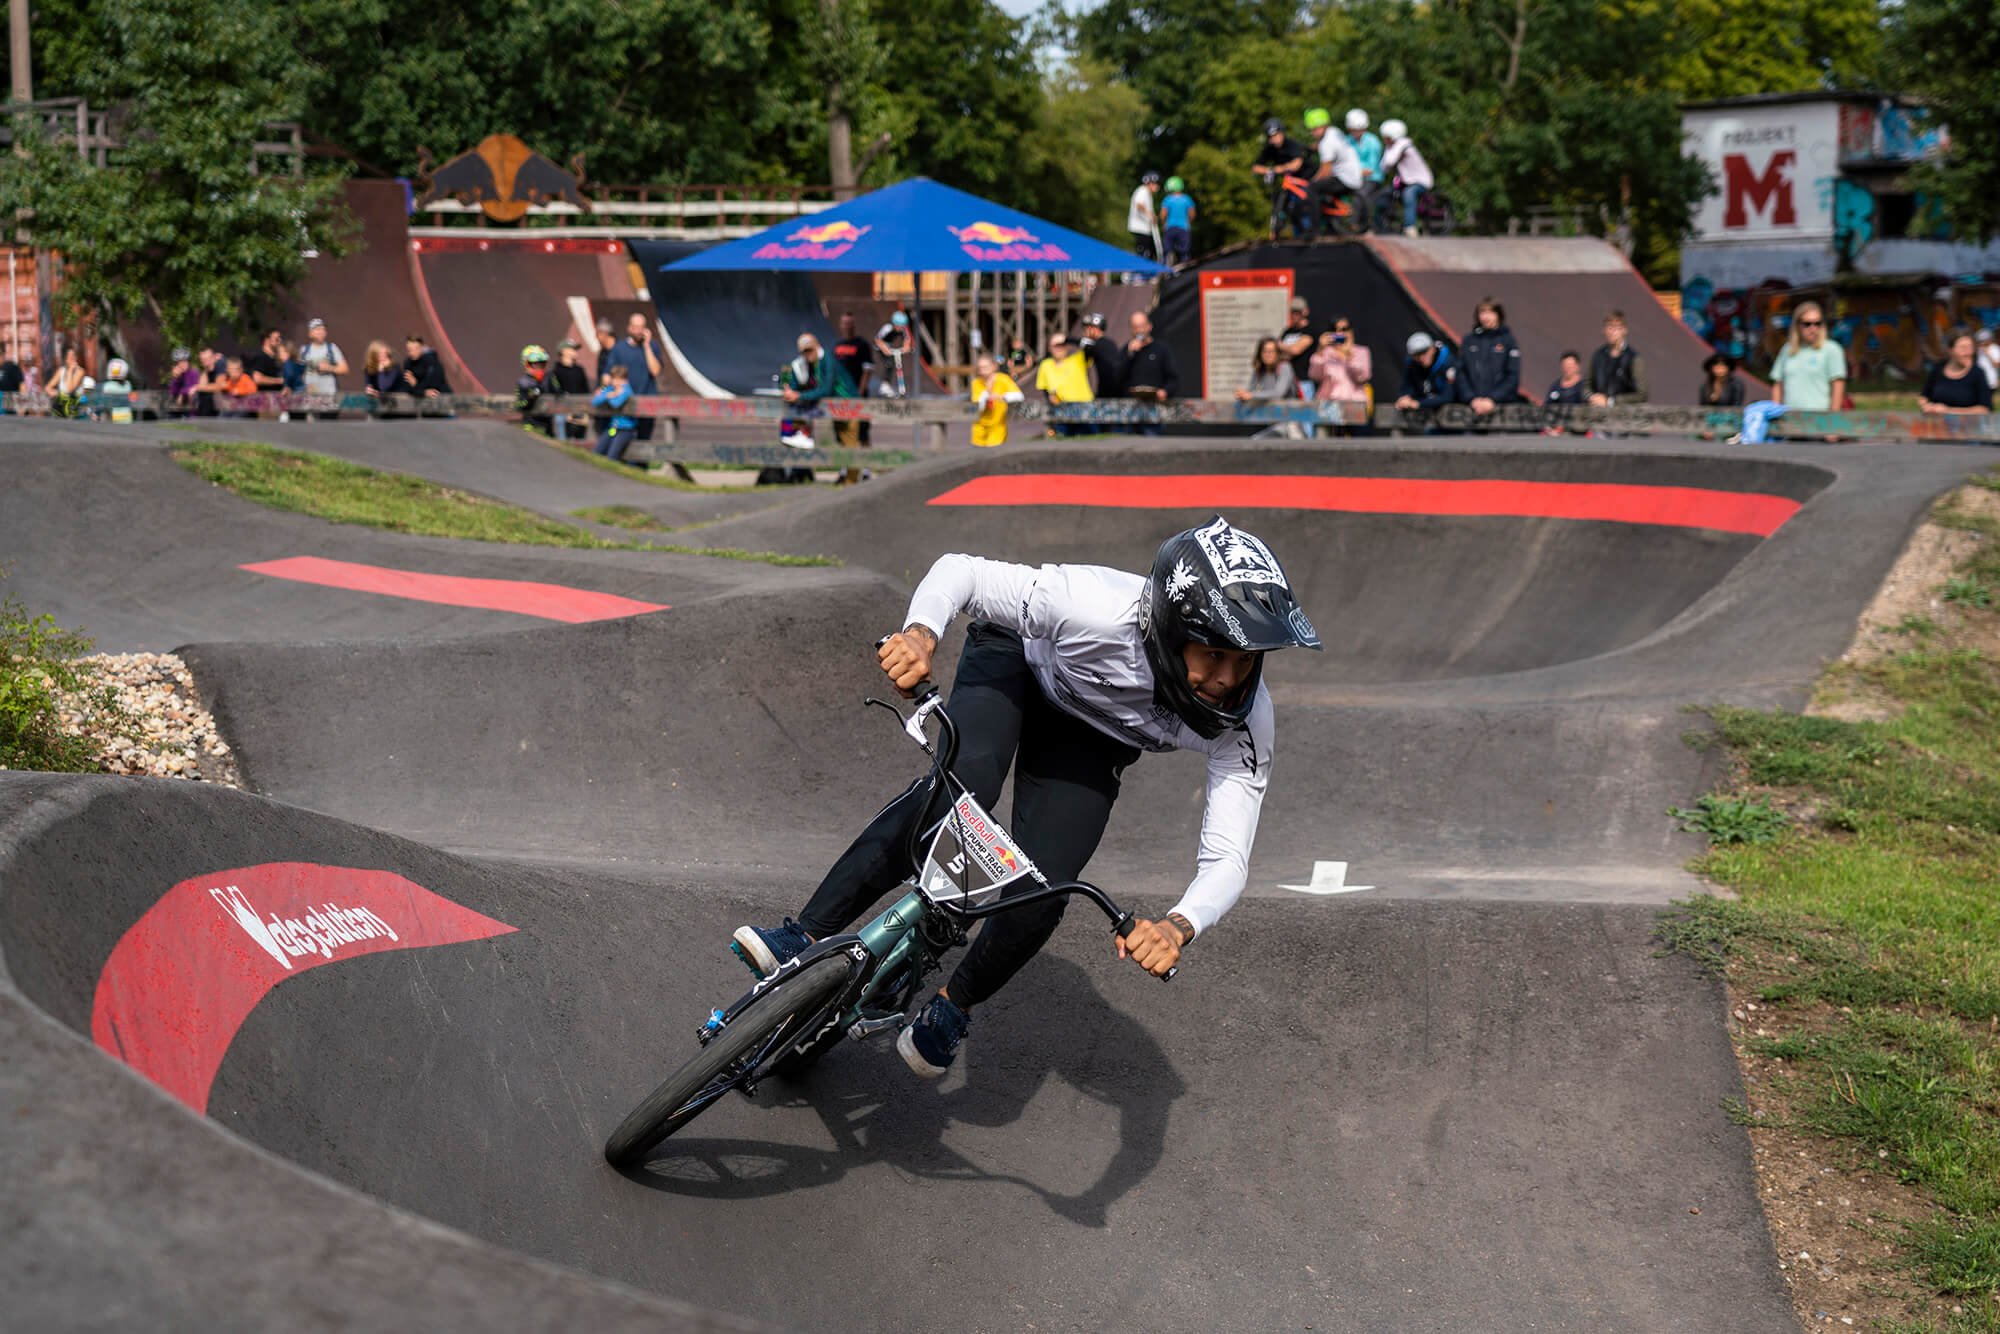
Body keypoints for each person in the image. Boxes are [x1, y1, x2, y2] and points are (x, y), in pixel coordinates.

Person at [727, 516, 1323, 1079]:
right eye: (1213, 653)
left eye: (1244, 660)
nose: (1226, 679)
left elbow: (1227, 861)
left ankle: (951, 1007)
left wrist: (1177, 925)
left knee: (1044, 887)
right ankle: (802, 935)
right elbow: (961, 571)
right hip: (1017, 662)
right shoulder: (1091, 605)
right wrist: (919, 634)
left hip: (1090, 740)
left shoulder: (1244, 722)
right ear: (1169, 629)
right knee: (959, 793)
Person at [778, 332, 858, 453]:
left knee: (850, 447)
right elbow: (795, 383)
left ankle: (858, 470)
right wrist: (789, 391)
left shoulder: (828, 360)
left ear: (817, 346)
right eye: (804, 351)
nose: (808, 354)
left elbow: (826, 390)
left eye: (810, 350)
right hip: (834, 407)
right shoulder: (803, 364)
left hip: (849, 405)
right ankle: (801, 434)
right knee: (841, 444)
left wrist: (799, 396)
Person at [1769, 301, 1845, 412]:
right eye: (1807, 324)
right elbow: (1778, 384)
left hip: (1820, 419)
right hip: (1789, 419)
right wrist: (1774, 413)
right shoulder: (1787, 350)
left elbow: (1838, 385)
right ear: (1797, 325)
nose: (1813, 328)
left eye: (1817, 323)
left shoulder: (1831, 349)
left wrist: (1833, 418)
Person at [1455, 297, 1521, 420]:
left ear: (1498, 315)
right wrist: (1471, 398)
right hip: (1471, 409)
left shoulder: (1508, 341)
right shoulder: (1469, 341)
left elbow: (1512, 376)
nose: (1486, 317)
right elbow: (1460, 373)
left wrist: (1492, 399)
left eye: (1490, 312)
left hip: (1500, 409)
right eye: (1482, 312)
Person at [1302, 107, 1364, 232]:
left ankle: (1314, 230)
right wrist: (1309, 148)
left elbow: (1325, 171)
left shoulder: (1327, 144)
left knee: (1312, 188)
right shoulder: (1334, 131)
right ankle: (1332, 226)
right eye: (1311, 130)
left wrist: (1310, 182)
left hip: (1346, 179)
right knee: (1324, 189)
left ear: (1323, 126)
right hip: (1354, 175)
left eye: (1314, 129)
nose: (1312, 133)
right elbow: (1319, 145)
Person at [1252, 120, 1312, 240]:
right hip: (1289, 184)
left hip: (1305, 179)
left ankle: (1309, 234)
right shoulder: (1269, 149)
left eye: (1277, 134)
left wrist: (1278, 169)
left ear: (1282, 133)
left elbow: (1297, 164)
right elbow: (1255, 168)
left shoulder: (1291, 144)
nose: (1275, 139)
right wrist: (1270, 170)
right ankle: (1289, 236)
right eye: (1272, 136)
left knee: (1303, 207)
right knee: (1283, 209)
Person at [1378, 119, 1435, 238]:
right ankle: (1378, 226)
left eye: (1386, 137)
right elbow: (1384, 168)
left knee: (1408, 194)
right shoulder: (1391, 147)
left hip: (1420, 180)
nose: (1384, 140)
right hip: (1405, 181)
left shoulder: (1404, 144)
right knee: (1384, 193)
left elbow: (1389, 161)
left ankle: (1410, 227)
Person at [1126, 311, 1179, 437]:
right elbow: (1117, 377)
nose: (1139, 330)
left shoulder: (1161, 350)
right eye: (1135, 327)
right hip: (1128, 411)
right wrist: (1128, 355)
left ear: (1149, 326)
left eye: (1141, 326)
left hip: (1153, 411)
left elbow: (1173, 378)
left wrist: (1165, 391)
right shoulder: (1127, 351)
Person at [1919, 329, 1993, 415]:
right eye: (1963, 348)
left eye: (1971, 347)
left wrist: (1948, 411)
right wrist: (1926, 406)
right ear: (1950, 350)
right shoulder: (1938, 369)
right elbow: (1924, 396)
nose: (1969, 352)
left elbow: (1985, 409)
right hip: (1937, 426)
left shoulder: (1977, 373)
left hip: (1969, 427)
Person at [1034, 332, 1094, 437]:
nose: (1059, 348)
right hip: (1060, 411)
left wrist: (1070, 340)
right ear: (1049, 348)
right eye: (1055, 345)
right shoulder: (1045, 365)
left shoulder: (1078, 359)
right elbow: (1044, 389)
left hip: (1084, 409)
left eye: (1062, 345)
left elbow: (1091, 347)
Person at [1308, 317, 1372, 412]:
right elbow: (1314, 376)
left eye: (1344, 329)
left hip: (1354, 408)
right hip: (1328, 407)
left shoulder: (1361, 352)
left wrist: (1349, 356)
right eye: (1334, 329)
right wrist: (1320, 350)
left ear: (1351, 332)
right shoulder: (1325, 352)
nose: (1339, 333)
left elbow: (1362, 377)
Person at [1587, 310, 1648, 406]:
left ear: (1624, 330)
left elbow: (1642, 394)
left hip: (1626, 416)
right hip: (1598, 414)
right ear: (1604, 330)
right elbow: (1586, 386)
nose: (1612, 332)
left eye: (1616, 328)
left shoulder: (1633, 358)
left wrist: (1610, 401)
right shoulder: (1597, 356)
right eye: (1609, 327)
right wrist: (1591, 397)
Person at [831, 313, 875, 446]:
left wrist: (859, 393)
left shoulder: (862, 345)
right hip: (841, 396)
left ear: (853, 325)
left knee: (862, 431)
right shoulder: (837, 345)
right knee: (842, 430)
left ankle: (866, 464)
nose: (847, 326)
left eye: (849, 323)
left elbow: (867, 370)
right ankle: (846, 463)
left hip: (857, 394)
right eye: (844, 323)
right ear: (840, 325)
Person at [969, 351, 1024, 447]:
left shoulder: (1003, 379)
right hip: (980, 429)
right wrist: (987, 393)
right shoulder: (976, 383)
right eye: (980, 368)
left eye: (986, 367)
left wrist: (1001, 397)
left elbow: (1019, 396)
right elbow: (979, 407)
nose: (983, 371)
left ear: (994, 366)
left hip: (998, 428)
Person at [1393, 331, 1456, 412]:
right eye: (1416, 354)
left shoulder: (1449, 362)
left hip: (1453, 415)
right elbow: (1406, 388)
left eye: (1424, 352)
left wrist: (1417, 403)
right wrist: (1405, 398)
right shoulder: (1411, 364)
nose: (1421, 357)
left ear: (1432, 349)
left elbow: (1448, 396)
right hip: (1424, 416)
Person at [299, 317, 348, 418]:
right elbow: (298, 372)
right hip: (310, 399)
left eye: (323, 329)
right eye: (317, 329)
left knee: (329, 430)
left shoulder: (332, 348)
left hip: (329, 398)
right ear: (310, 333)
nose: (321, 332)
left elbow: (345, 369)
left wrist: (329, 368)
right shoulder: (304, 350)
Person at [591, 363, 639, 464]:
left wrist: (610, 395)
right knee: (596, 451)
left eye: (619, 380)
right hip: (613, 428)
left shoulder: (626, 390)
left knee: (611, 456)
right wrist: (609, 394)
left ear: (625, 380)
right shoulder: (612, 389)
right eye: (614, 379)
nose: (616, 383)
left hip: (626, 429)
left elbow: (615, 404)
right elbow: (595, 402)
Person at [1078, 311, 1129, 406]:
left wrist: (1065, 340)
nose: (1085, 332)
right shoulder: (1098, 345)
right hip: (1107, 391)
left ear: (1094, 328)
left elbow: (1087, 343)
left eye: (1088, 328)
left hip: (1112, 393)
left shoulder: (1103, 343)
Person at [549, 338, 593, 441]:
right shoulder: (555, 371)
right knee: (562, 443)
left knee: (581, 446)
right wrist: (567, 411)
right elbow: (556, 392)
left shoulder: (579, 370)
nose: (575, 352)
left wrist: (585, 413)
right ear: (563, 351)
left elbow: (585, 391)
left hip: (579, 412)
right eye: (573, 349)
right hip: (563, 413)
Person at [1278, 298, 1317, 394]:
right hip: (1285, 380)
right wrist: (1288, 350)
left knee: (1304, 408)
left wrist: (1282, 346)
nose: (1294, 315)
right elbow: (1278, 353)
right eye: (1292, 312)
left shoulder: (1311, 330)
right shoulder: (1287, 331)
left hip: (1303, 381)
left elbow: (1296, 350)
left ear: (1305, 312)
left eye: (1297, 312)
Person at [397, 334, 452, 398]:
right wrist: (422, 391)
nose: (412, 352)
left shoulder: (432, 362)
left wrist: (416, 385)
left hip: (442, 399)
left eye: (416, 349)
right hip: (420, 402)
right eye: (409, 350)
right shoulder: (408, 363)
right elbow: (407, 387)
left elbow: (434, 386)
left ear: (422, 348)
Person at [515, 344, 553, 435]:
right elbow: (520, 404)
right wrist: (532, 395)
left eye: (542, 364)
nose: (540, 368)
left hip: (547, 425)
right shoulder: (523, 382)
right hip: (530, 426)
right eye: (536, 365)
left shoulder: (548, 379)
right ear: (527, 364)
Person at [875, 310, 913, 398]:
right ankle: (884, 386)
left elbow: (907, 340)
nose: (900, 328)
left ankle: (901, 389)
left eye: (902, 326)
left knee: (896, 364)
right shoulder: (888, 328)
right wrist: (886, 350)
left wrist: (906, 348)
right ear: (895, 323)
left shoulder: (903, 329)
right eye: (899, 325)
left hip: (890, 347)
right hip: (881, 346)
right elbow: (878, 340)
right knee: (889, 364)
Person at [1159, 177, 1195, 267]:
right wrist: (1188, 222)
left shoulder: (1168, 199)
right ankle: (1185, 270)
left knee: (1167, 251)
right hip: (1183, 228)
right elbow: (1192, 214)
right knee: (1184, 252)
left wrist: (1163, 224)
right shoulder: (1187, 199)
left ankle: (1164, 271)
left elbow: (1163, 215)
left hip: (1170, 228)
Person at [1346, 109, 1384, 191]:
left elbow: (1370, 170)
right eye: (1353, 129)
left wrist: (1347, 172)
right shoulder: (1347, 140)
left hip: (1372, 179)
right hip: (1352, 178)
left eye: (1359, 129)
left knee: (1360, 197)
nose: (1356, 132)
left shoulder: (1373, 142)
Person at [1128, 171, 1162, 262]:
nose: (1157, 186)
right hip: (1140, 227)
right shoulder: (1143, 191)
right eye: (1155, 184)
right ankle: (1143, 271)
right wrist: (1151, 215)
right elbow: (1139, 204)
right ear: (1149, 183)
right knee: (1144, 252)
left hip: (1144, 228)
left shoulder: (1146, 193)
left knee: (1149, 250)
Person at [50, 346, 93, 417]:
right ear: (65, 359)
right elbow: (48, 387)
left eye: (73, 356)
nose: (72, 359)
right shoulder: (61, 370)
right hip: (62, 407)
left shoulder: (80, 371)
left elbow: (69, 389)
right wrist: (53, 392)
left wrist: (70, 370)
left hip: (75, 408)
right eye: (69, 357)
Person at [243, 329, 286, 394]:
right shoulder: (261, 357)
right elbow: (257, 379)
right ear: (266, 340)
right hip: (265, 399)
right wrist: (279, 381)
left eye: (280, 338)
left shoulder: (276, 358)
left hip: (276, 399)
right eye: (277, 339)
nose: (280, 341)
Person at [97, 357, 135, 423]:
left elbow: (102, 402)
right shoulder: (128, 385)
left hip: (113, 418)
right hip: (127, 417)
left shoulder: (107, 386)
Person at [191, 348, 227, 417]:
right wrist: (206, 368)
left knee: (206, 396)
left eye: (208, 359)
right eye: (203, 360)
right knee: (202, 394)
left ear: (214, 357)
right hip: (214, 401)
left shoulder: (221, 363)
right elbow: (202, 385)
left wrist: (197, 387)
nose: (206, 362)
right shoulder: (207, 368)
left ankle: (203, 421)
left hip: (231, 398)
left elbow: (218, 387)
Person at [164, 348, 198, 416]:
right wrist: (175, 378)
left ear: (188, 362)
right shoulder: (178, 375)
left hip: (191, 411)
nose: (183, 364)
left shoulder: (194, 373)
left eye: (185, 361)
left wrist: (182, 393)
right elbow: (173, 392)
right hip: (178, 410)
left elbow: (193, 388)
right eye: (180, 362)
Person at [0, 343, 22, 414]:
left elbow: (22, 387)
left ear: (3, 354)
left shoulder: (11, 367)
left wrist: (22, 408)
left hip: (8, 411)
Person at [594, 318, 617, 384]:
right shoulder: (602, 353)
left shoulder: (619, 351)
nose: (596, 338)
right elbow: (601, 379)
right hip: (605, 391)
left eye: (597, 335)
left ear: (604, 333)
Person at [1977, 328, 1999, 392]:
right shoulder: (1979, 349)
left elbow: (1997, 365)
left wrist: (1988, 354)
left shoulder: (1995, 348)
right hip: (1980, 379)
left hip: (1991, 379)